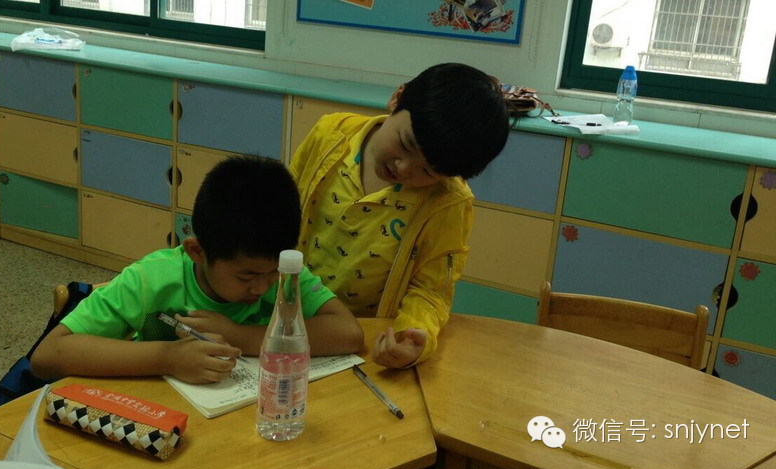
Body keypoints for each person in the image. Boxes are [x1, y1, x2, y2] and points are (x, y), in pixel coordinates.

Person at [31, 156, 364, 384]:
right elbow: (48, 355)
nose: (263, 287)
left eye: (272, 273)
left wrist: (238, 335)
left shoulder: (286, 276)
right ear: (197, 252)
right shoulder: (151, 280)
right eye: (246, 276)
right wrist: (167, 358)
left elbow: (348, 334)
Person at [289, 63, 509, 369]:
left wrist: (411, 337)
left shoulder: (447, 202)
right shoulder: (331, 135)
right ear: (397, 98)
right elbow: (277, 211)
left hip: (363, 345)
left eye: (427, 171)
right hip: (283, 314)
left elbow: (430, 291)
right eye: (406, 144)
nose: (404, 168)